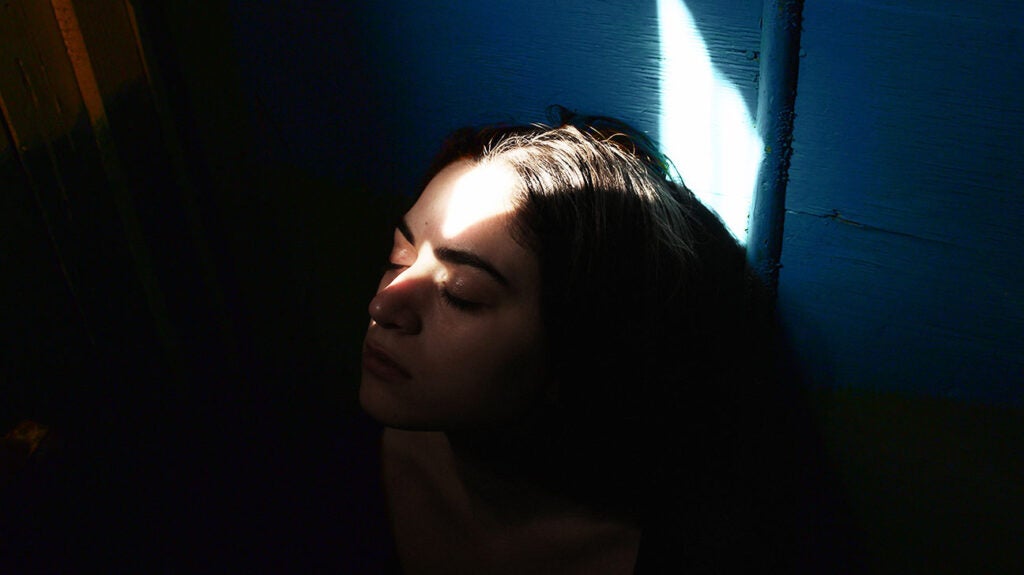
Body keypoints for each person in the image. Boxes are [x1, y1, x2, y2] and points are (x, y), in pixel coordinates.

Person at [359, 108, 858, 573]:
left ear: (580, 347)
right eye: (399, 256)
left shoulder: (695, 550)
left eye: (461, 294)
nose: (382, 306)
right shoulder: (327, 455)